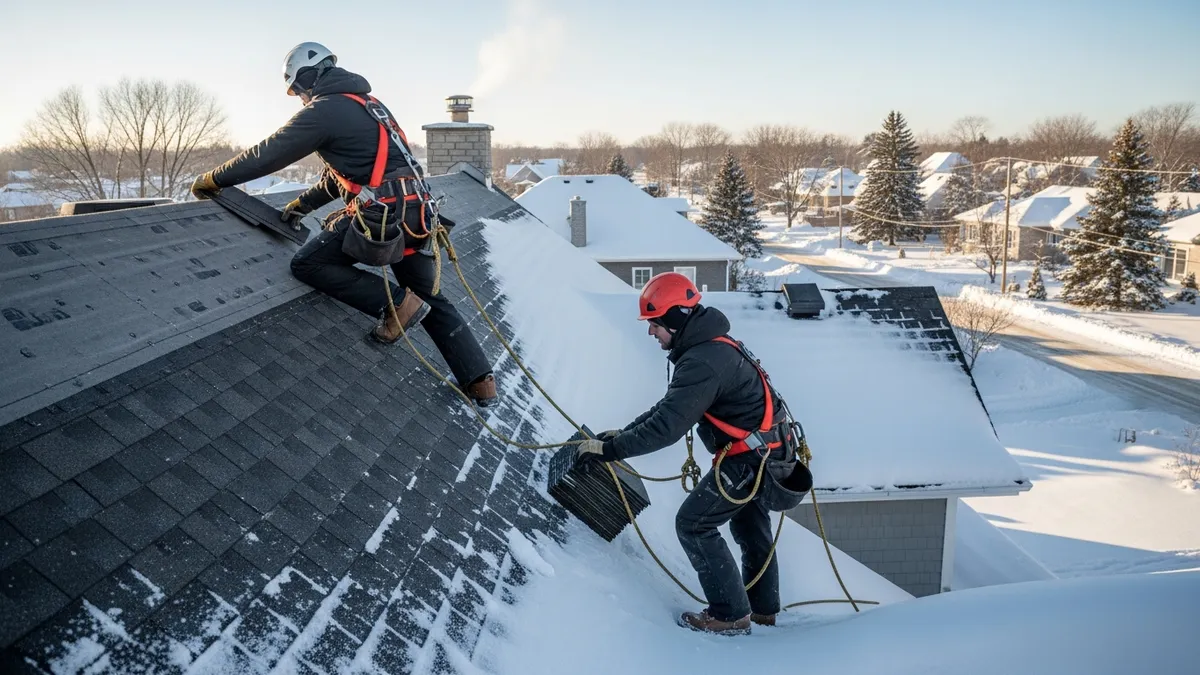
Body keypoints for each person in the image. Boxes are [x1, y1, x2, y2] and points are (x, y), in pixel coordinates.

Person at [191, 42, 496, 407]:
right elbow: (343, 177)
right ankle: (480, 381)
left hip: (383, 214)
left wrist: (214, 178)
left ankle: (397, 304)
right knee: (430, 296)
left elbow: (268, 154)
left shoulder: (326, 110)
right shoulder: (368, 106)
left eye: (298, 91)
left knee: (308, 263)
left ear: (305, 79)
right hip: (414, 213)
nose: (300, 99)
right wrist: (301, 205)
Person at [576, 272, 811, 636]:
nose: (651, 333)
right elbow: (670, 407)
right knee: (750, 526)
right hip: (767, 451)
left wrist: (610, 450)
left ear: (675, 320)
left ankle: (730, 615)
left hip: (751, 458)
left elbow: (666, 427)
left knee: (694, 523)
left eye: (654, 324)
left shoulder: (704, 361)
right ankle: (763, 610)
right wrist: (621, 434)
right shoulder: (710, 348)